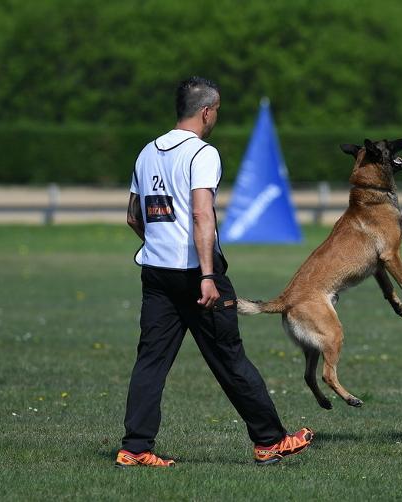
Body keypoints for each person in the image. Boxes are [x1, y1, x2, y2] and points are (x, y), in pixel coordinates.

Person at [116, 76, 312, 468]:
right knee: (229, 357)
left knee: (151, 360)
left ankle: (135, 448)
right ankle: (270, 441)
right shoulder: (202, 154)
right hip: (196, 275)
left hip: (155, 270)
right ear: (207, 112)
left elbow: (134, 217)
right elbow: (201, 213)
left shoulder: (147, 152)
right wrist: (207, 275)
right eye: (217, 111)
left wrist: (159, 243)